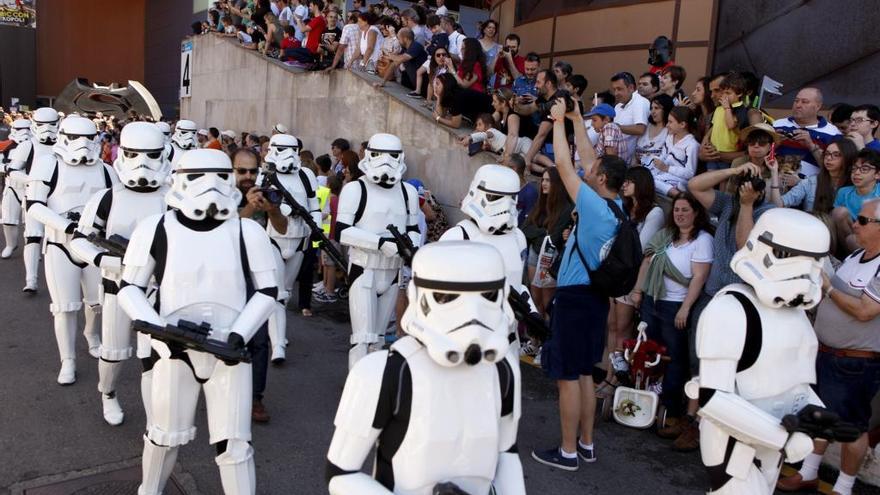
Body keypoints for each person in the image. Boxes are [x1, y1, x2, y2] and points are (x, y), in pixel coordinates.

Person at [118, 149, 278, 495]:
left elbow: (268, 290)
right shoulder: (155, 228)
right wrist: (159, 332)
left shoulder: (247, 232)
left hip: (229, 354)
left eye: (219, 177)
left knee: (235, 447)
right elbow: (129, 288)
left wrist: (239, 334)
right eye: (197, 177)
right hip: (173, 352)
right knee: (163, 437)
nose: (210, 187)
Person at [325, 241, 526, 494]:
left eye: (487, 296)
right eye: (447, 298)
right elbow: (341, 473)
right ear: (418, 296)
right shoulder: (381, 373)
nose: (471, 314)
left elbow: (507, 452)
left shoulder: (503, 370)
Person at [691, 208, 839, 494]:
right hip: (733, 447)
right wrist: (783, 439)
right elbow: (712, 398)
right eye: (791, 256)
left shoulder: (796, 317)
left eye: (814, 261)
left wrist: (815, 416)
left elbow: (795, 386)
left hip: (773, 448)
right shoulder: (730, 308)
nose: (806, 271)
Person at [531, 97, 627, 470]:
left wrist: (557, 120)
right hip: (596, 299)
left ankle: (567, 451)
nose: (590, 167)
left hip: (575, 298)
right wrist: (574, 118)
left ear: (601, 179)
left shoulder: (591, 205)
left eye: (596, 168)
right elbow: (586, 158)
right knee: (586, 371)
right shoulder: (616, 208)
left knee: (568, 377)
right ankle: (586, 444)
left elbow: (564, 164)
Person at [68, 123, 170, 426]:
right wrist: (102, 259)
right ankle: (108, 393)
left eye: (151, 155)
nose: (142, 163)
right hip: (117, 286)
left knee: (152, 358)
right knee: (113, 354)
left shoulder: (174, 196)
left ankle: (154, 416)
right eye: (133, 154)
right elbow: (79, 240)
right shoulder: (107, 197)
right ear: (122, 153)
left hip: (158, 289)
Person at [777, 199, 880, 495]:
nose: (855, 225)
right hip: (826, 352)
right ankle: (808, 473)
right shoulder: (856, 255)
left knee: (853, 428)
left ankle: (844, 488)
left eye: (862, 220)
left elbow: (864, 311)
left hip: (856, 362)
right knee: (818, 415)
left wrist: (829, 288)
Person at [26, 116, 118, 384]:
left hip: (94, 246)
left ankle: (92, 334)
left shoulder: (106, 170)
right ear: (63, 136)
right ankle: (67, 359)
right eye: (77, 138)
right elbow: (34, 205)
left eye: (89, 138)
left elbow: (116, 205)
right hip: (59, 245)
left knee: (97, 302)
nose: (83, 144)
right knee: (65, 307)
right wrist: (67, 227)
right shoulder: (48, 165)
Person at [631, 192, 712, 441]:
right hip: (652, 301)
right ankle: (646, 406)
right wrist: (638, 290)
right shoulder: (666, 237)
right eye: (676, 209)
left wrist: (685, 308)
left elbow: (698, 277)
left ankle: (672, 411)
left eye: (685, 210)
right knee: (648, 355)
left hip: (675, 306)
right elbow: (647, 262)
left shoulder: (702, 240)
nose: (679, 214)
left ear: (696, 213)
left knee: (674, 360)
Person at [336, 133, 420, 369]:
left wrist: (410, 246)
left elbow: (413, 228)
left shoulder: (408, 193)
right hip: (364, 269)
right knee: (363, 338)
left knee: (379, 340)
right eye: (380, 155)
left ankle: (373, 389)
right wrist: (380, 243)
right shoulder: (355, 189)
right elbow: (341, 232)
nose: (387, 161)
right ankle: (357, 391)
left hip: (393, 272)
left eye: (393, 156)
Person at [260, 134, 321, 363]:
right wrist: (285, 210)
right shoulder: (266, 175)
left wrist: (315, 226)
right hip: (275, 237)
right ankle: (278, 345)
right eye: (282, 149)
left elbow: (314, 204)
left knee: (285, 293)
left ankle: (275, 332)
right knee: (277, 292)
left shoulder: (306, 176)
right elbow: (260, 202)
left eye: (291, 149)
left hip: (300, 239)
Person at [606, 166, 664, 374]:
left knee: (623, 328)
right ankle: (609, 374)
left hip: (632, 278)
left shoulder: (654, 212)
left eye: (629, 181)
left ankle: (617, 378)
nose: (624, 185)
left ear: (641, 184)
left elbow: (640, 246)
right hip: (617, 274)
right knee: (612, 326)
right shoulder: (625, 207)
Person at [6, 107, 60, 293]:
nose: (47, 129)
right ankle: (31, 279)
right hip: (35, 195)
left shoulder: (64, 144)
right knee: (33, 235)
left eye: (51, 125)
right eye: (42, 125)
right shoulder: (28, 146)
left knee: (62, 238)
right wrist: (32, 181)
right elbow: (13, 170)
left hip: (59, 198)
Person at [522, 167, 573, 317]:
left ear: (557, 183)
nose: (543, 183)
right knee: (535, 299)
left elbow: (555, 237)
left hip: (550, 258)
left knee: (547, 302)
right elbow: (524, 229)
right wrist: (543, 233)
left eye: (548, 180)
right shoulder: (540, 203)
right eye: (543, 180)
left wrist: (538, 233)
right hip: (534, 254)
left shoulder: (566, 208)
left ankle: (549, 337)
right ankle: (537, 338)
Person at [771, 138, 856, 221]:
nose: (829, 158)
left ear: (847, 157)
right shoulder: (811, 182)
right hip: (814, 230)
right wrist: (774, 171)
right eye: (827, 153)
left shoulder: (856, 184)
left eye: (836, 155)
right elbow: (779, 204)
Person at [773, 87, 841, 176]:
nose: (798, 105)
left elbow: (836, 168)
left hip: (811, 186)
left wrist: (811, 145)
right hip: (776, 181)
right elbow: (759, 154)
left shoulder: (833, 132)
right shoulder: (777, 124)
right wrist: (775, 143)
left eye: (804, 102)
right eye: (796, 101)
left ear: (818, 106)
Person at [831, 148, 880, 253]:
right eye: (854, 168)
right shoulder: (844, 192)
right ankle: (845, 257)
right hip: (850, 237)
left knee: (852, 240)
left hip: (874, 239)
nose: (857, 173)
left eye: (864, 169)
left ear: (877, 174)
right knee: (839, 213)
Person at [649, 106, 699, 197]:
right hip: (664, 174)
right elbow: (663, 156)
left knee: (651, 182)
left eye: (670, 122)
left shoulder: (692, 145)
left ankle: (679, 195)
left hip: (680, 179)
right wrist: (657, 162)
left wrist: (667, 168)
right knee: (645, 176)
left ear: (682, 124)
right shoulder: (669, 137)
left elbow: (690, 173)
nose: (667, 125)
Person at [704, 71, 750, 172]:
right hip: (713, 151)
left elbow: (730, 125)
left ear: (739, 93)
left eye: (728, 93)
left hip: (727, 153)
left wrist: (727, 109)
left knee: (723, 179)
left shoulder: (739, 109)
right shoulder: (719, 109)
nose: (724, 96)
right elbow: (714, 127)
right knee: (709, 176)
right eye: (723, 92)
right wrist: (707, 140)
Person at [0, 118, 30, 258]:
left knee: (30, 222)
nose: (23, 133)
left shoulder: (36, 147)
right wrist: (7, 168)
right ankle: (10, 245)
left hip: (29, 187)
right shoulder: (7, 145)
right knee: (8, 219)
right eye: (19, 129)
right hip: (11, 186)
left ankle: (31, 248)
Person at [611, 71, 650, 165]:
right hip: (615, 153)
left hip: (630, 159)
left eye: (619, 89)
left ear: (631, 88)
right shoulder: (618, 106)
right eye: (614, 89)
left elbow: (640, 129)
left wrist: (616, 127)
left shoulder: (640, 102)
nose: (616, 93)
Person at [458, 113, 532, 157]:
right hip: (515, 152)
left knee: (535, 157)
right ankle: (543, 170)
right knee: (528, 162)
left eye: (480, 124)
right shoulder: (485, 140)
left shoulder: (491, 131)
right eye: (477, 125)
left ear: (489, 125)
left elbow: (484, 135)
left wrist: (471, 137)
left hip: (521, 143)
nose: (477, 127)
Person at [633, 94, 673, 167]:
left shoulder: (670, 131)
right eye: (651, 108)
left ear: (666, 109)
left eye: (656, 108)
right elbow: (635, 156)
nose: (652, 111)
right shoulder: (645, 126)